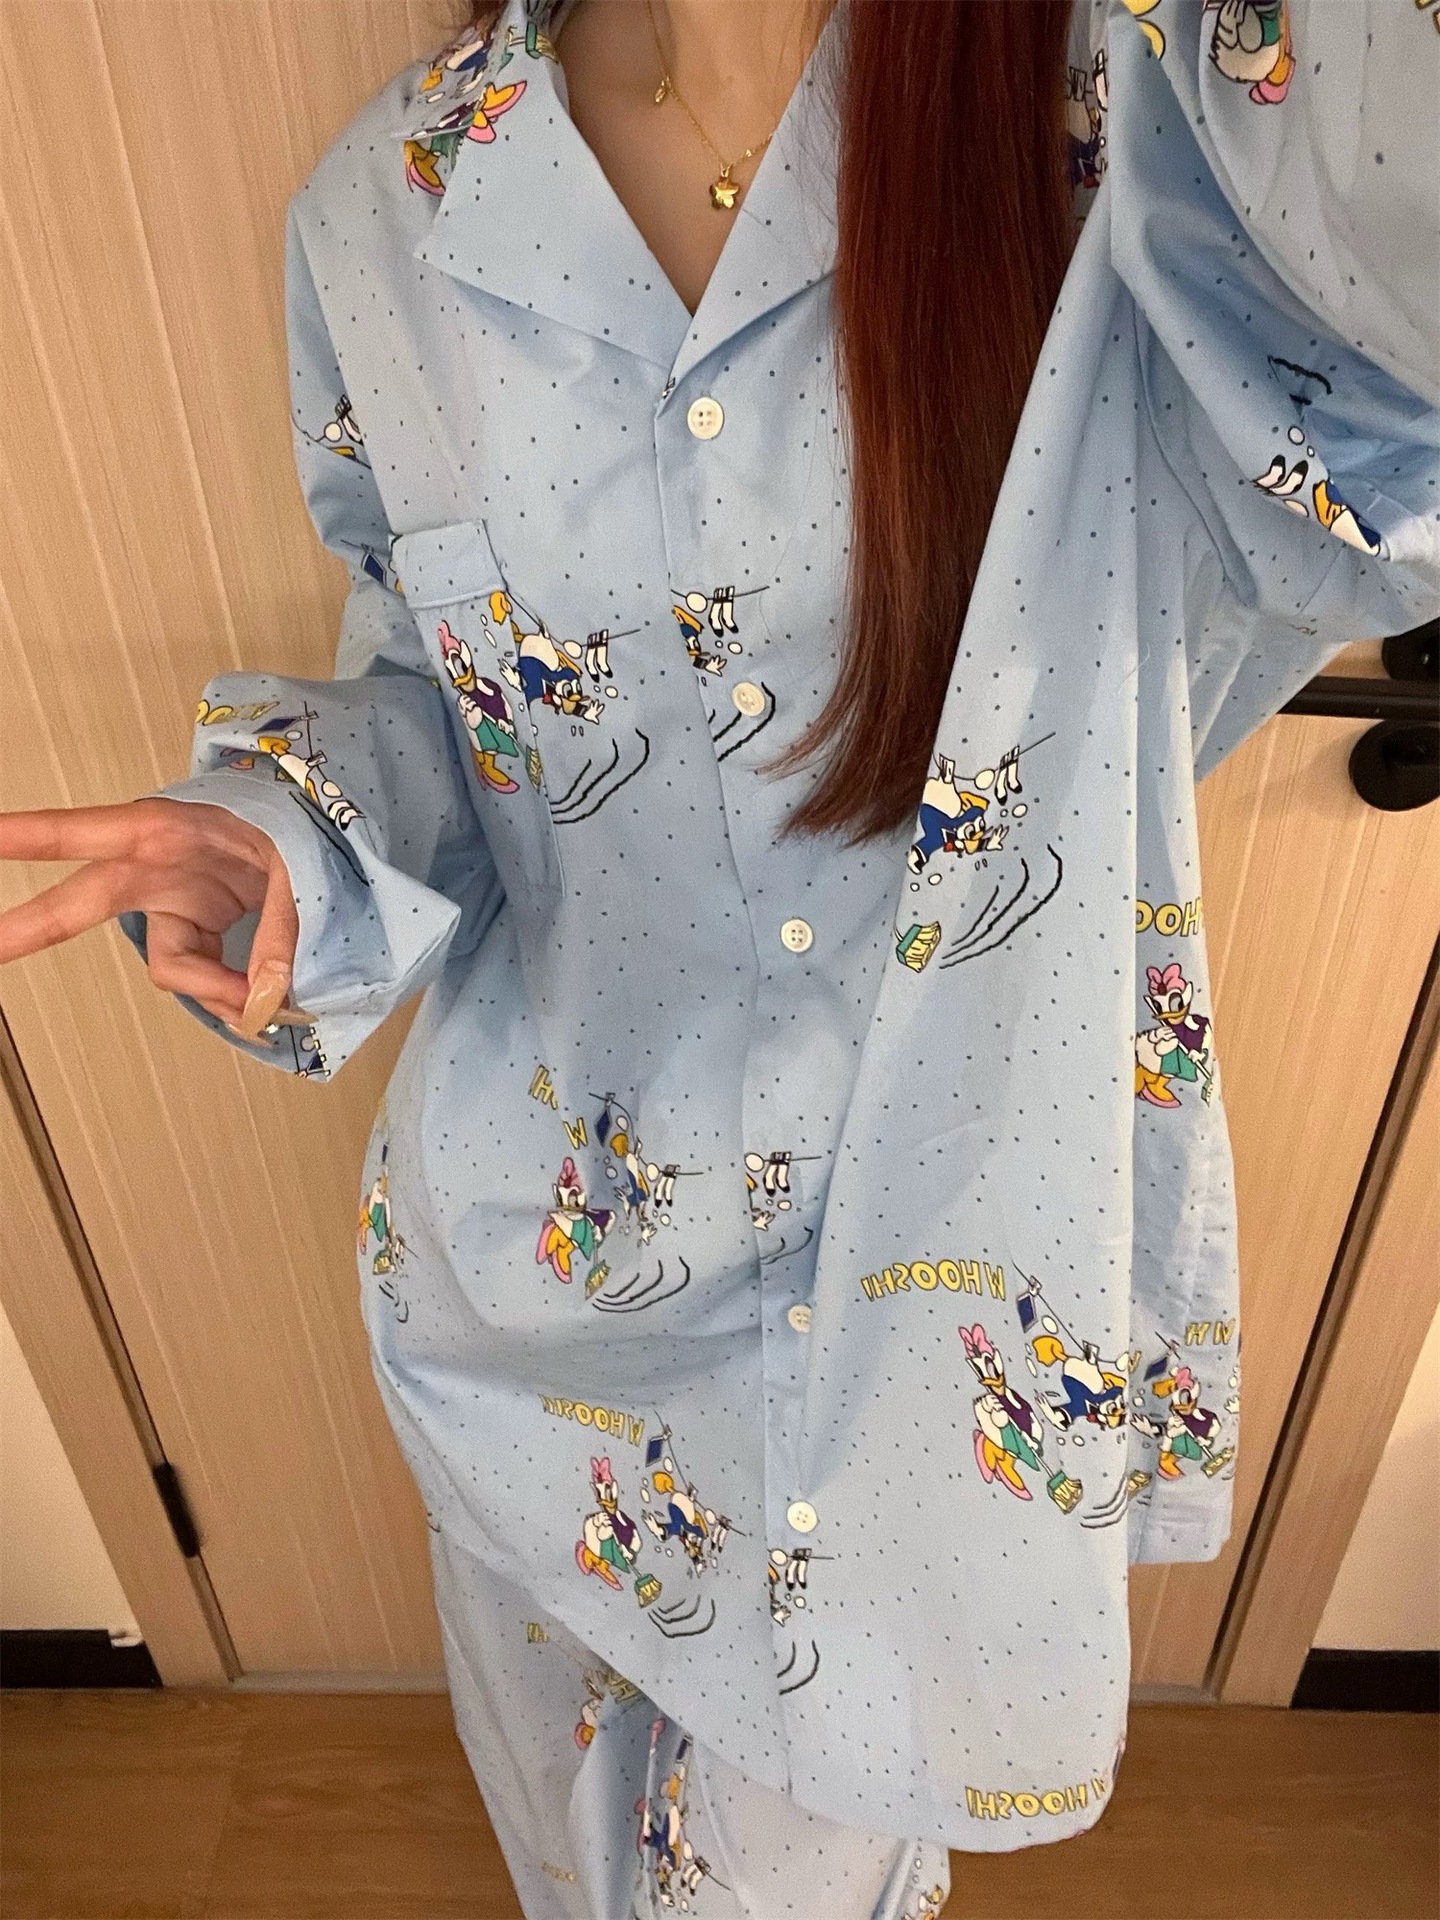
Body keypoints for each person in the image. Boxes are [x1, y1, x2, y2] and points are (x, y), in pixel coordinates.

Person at [1, 1, 1436, 1914]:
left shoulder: (1148, 109)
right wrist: (286, 832)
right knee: (568, 1857)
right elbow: (445, 681)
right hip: (540, 1293)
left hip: (933, 1315)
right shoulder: (398, 202)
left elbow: (1385, 389)